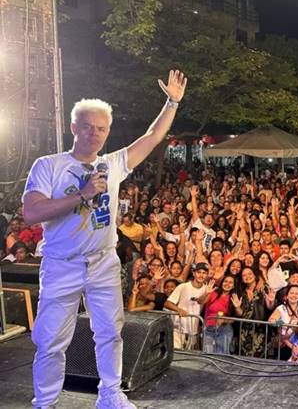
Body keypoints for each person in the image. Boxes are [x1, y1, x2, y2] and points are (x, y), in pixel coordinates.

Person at [23, 70, 187, 409]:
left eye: (101, 128)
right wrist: (82, 195)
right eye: (87, 127)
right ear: (74, 128)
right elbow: (32, 212)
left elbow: (153, 136)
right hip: (61, 264)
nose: (94, 134)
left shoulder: (113, 164)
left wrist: (172, 102)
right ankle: (45, 402)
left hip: (103, 261)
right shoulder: (48, 166)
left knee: (110, 333)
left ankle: (110, 394)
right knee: (51, 340)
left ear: (107, 131)